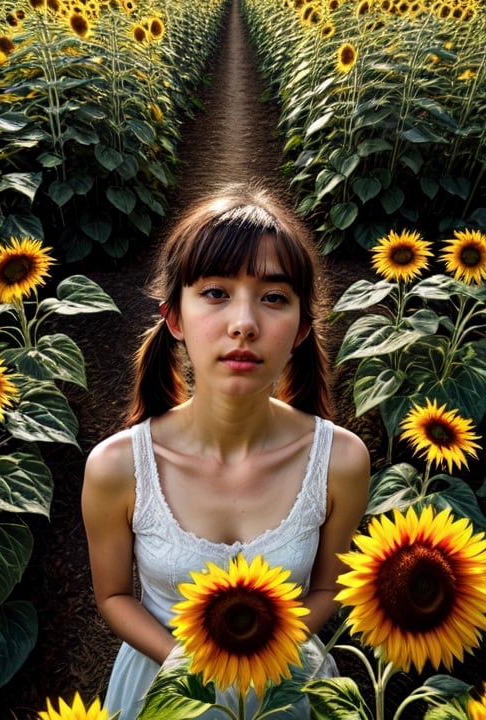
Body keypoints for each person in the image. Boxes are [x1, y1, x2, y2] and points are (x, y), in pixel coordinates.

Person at [81, 183, 370, 720]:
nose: (245, 323)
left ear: (302, 328)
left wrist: (263, 648)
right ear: (174, 319)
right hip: (163, 692)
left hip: (289, 690)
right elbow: (114, 595)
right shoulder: (117, 467)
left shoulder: (341, 462)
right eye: (216, 292)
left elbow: (330, 585)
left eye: (274, 297)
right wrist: (189, 666)